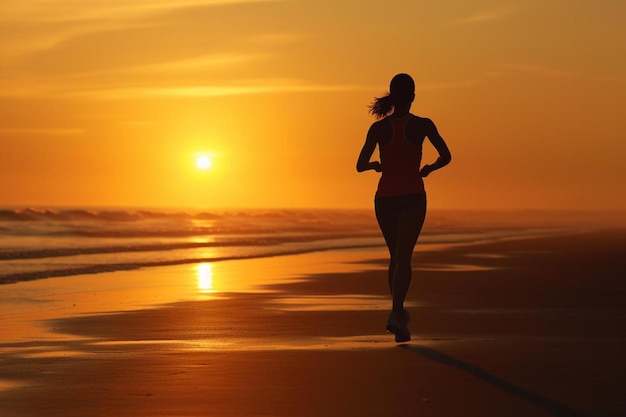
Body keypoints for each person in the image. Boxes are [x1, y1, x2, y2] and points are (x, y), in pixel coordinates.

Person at [356, 73, 451, 342]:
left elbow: (360, 165)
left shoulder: (378, 129)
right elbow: (446, 155)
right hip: (412, 196)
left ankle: (397, 313)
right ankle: (396, 313)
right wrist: (429, 169)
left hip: (384, 198)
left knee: (395, 258)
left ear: (393, 95)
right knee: (403, 257)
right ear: (413, 96)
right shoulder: (423, 125)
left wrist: (376, 165)